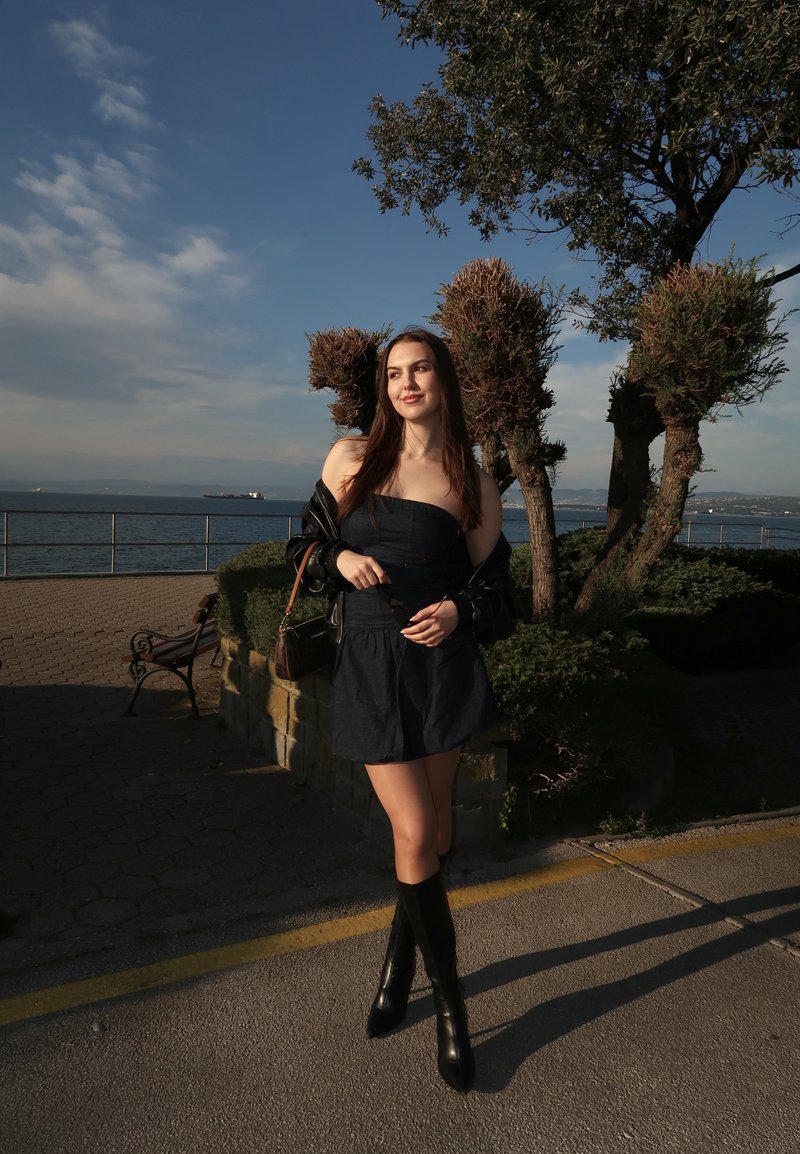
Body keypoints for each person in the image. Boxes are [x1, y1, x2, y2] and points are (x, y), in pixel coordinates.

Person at [286, 327, 514, 1093]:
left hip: (442, 668)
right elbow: (304, 547)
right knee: (415, 832)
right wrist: (338, 558)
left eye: (420, 369)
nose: (406, 383)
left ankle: (396, 965)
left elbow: (499, 589)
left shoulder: (471, 481)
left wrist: (457, 611)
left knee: (437, 834)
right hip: (372, 668)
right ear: (383, 386)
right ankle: (453, 1009)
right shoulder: (352, 457)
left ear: (444, 380)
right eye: (394, 373)